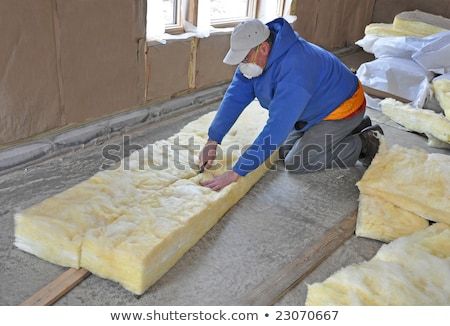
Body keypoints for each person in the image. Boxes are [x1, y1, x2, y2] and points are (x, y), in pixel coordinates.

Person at [198, 17, 383, 191]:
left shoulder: (295, 69)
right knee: (283, 151)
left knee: (298, 161)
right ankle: (351, 128)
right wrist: (213, 139)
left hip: (343, 107)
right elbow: (235, 97)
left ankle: (365, 142)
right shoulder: (254, 63)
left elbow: (276, 128)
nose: (242, 65)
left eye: (245, 58)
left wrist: (236, 173)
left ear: (263, 48)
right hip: (318, 106)